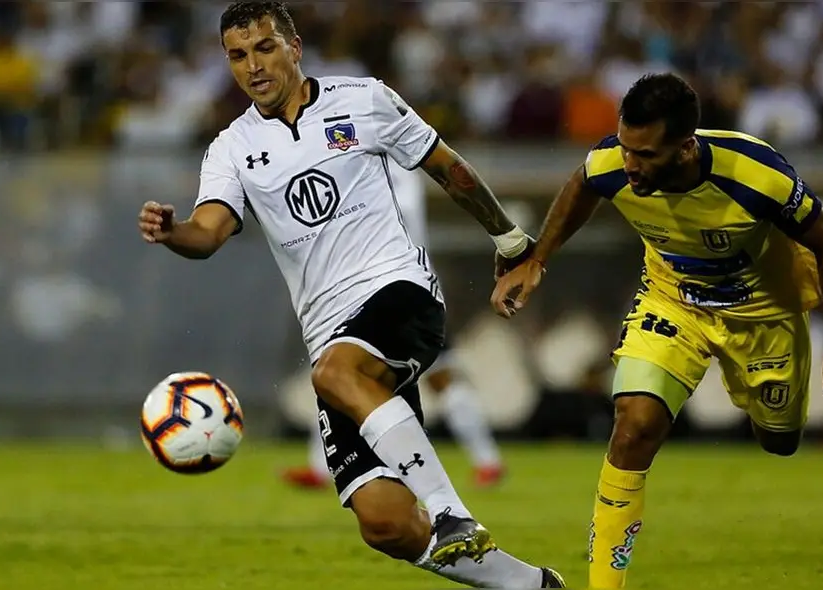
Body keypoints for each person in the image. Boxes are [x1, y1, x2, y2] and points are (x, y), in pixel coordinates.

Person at [136, 3, 562, 588]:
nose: (253, 66)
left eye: (264, 48)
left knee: (335, 374)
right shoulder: (231, 147)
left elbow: (447, 168)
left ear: (294, 46)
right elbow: (208, 232)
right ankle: (529, 584)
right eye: (238, 55)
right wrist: (172, 231)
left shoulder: (364, 100)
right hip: (331, 335)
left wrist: (511, 239)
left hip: (399, 291)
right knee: (384, 523)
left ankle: (451, 512)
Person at [491, 73, 823, 589]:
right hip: (674, 303)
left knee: (780, 440)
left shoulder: (756, 176)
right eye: (625, 148)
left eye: (644, 155)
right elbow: (583, 183)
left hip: (765, 316)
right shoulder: (613, 163)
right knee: (633, 425)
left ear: (686, 147)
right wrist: (538, 257)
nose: (630, 165)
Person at [282, 159, 506, 491]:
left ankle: (486, 461)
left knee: (437, 375)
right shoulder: (371, 164)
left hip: (401, 285)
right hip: (368, 285)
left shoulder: (390, 168)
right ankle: (320, 466)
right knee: (337, 367)